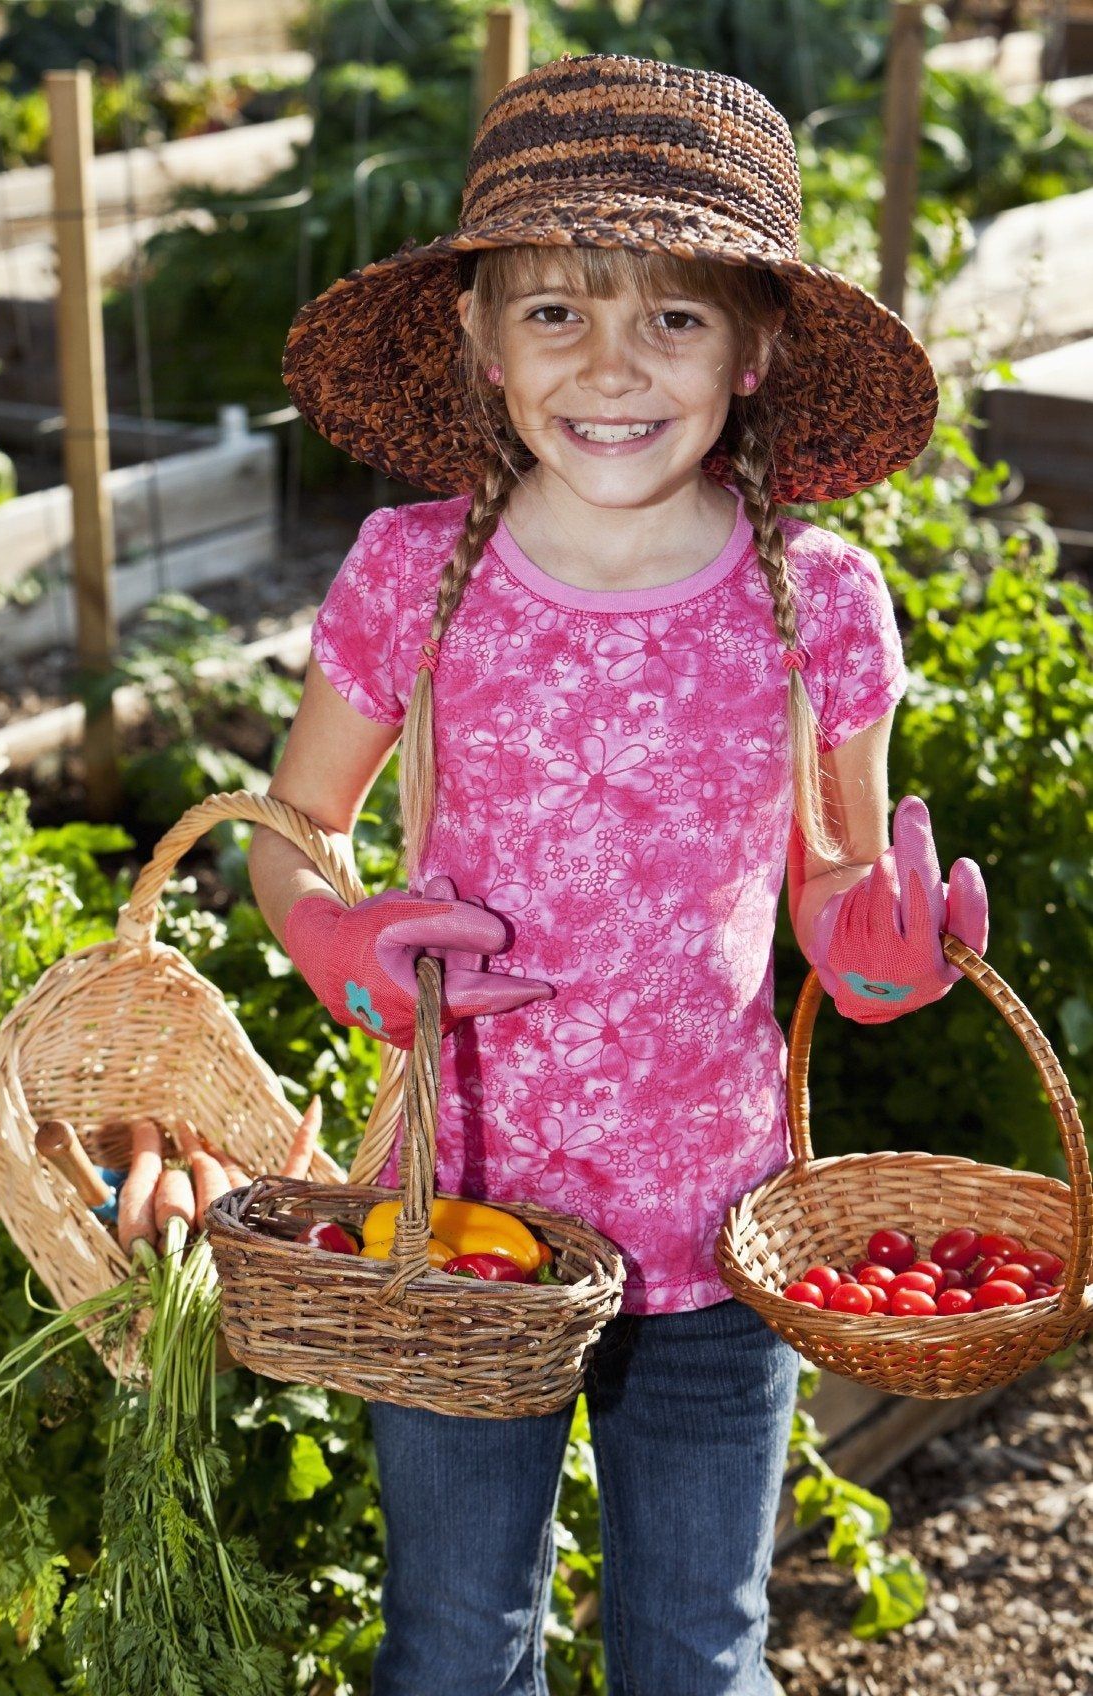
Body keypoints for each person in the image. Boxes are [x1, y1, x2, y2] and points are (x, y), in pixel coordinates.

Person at [249, 53, 989, 1696]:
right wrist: (329, 935)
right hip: (457, 1226)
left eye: (672, 317)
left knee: (698, 1651)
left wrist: (872, 952)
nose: (609, 365)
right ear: (477, 336)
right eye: (555, 314)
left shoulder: (821, 601)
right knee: (452, 1651)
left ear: (756, 346)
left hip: (721, 1237)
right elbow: (285, 837)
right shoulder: (414, 572)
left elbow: (837, 879)